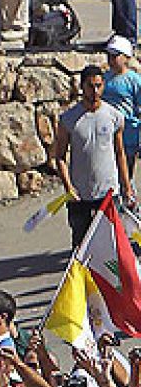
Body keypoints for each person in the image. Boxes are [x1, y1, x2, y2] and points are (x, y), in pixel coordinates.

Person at [52, 65, 132, 247]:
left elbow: (120, 154)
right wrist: (68, 187)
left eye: (98, 85)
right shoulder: (69, 119)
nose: (95, 91)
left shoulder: (115, 116)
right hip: (80, 195)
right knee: (81, 247)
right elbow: (60, 157)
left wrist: (127, 186)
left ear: (103, 85)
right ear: (82, 87)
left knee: (111, 245)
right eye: (90, 86)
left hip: (109, 192)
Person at [103, 35, 141, 170]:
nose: (111, 60)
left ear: (126, 57)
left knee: (126, 171)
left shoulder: (134, 80)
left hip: (128, 135)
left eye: (115, 56)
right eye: (109, 56)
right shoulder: (104, 78)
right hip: (107, 133)